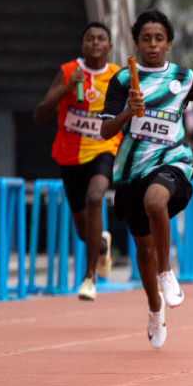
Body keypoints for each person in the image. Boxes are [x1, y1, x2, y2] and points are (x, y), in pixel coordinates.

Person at [100, 10, 193, 348]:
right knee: (142, 250)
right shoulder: (122, 81)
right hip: (132, 169)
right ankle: (153, 307)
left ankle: (167, 272)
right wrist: (128, 113)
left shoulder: (183, 77)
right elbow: (105, 130)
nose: (152, 44)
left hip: (172, 159)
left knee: (156, 201)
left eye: (159, 39)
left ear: (169, 43)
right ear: (136, 42)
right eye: (146, 38)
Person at [31, 22, 121, 299]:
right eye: (90, 39)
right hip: (70, 156)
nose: (95, 43)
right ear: (83, 46)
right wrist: (67, 88)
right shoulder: (69, 71)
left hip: (103, 149)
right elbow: (40, 114)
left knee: (96, 198)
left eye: (100, 39)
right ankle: (102, 246)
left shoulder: (119, 76)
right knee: (84, 232)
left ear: (109, 46)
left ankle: (89, 278)